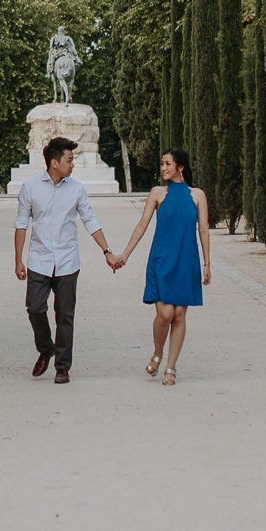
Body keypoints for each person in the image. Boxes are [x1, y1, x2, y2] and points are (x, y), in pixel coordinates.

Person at [13, 136, 119, 384]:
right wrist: (18, 260)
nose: (72, 165)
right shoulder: (30, 188)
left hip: (68, 261)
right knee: (35, 308)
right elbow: (21, 225)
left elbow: (90, 220)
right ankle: (45, 348)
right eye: (69, 160)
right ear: (53, 162)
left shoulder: (77, 189)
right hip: (39, 260)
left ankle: (62, 367)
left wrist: (107, 251)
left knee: (65, 315)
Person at [115, 148, 210, 385]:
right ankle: (157, 351)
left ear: (181, 167)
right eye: (162, 164)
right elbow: (142, 225)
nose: (163, 168)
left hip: (186, 260)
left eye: (168, 164)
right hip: (161, 259)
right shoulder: (158, 193)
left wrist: (207, 263)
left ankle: (170, 367)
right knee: (165, 313)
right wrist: (125, 254)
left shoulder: (197, 195)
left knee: (179, 314)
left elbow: (204, 230)